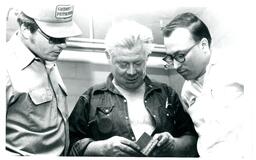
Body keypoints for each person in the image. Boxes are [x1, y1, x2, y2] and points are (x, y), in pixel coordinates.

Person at [68, 20, 198, 157]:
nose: (131, 72)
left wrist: (173, 144)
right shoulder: (90, 98)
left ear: (147, 57)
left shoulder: (167, 95)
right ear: (108, 56)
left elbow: (193, 140)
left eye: (138, 63)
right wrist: (102, 148)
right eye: (123, 64)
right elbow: (69, 146)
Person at [162, 12, 247, 158]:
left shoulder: (238, 65)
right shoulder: (187, 92)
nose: (176, 66)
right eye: (171, 58)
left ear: (203, 45)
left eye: (180, 55)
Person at [5, 2, 81, 155]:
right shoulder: (6, 69)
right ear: (26, 29)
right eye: (55, 38)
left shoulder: (45, 53)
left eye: (65, 37)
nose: (63, 45)